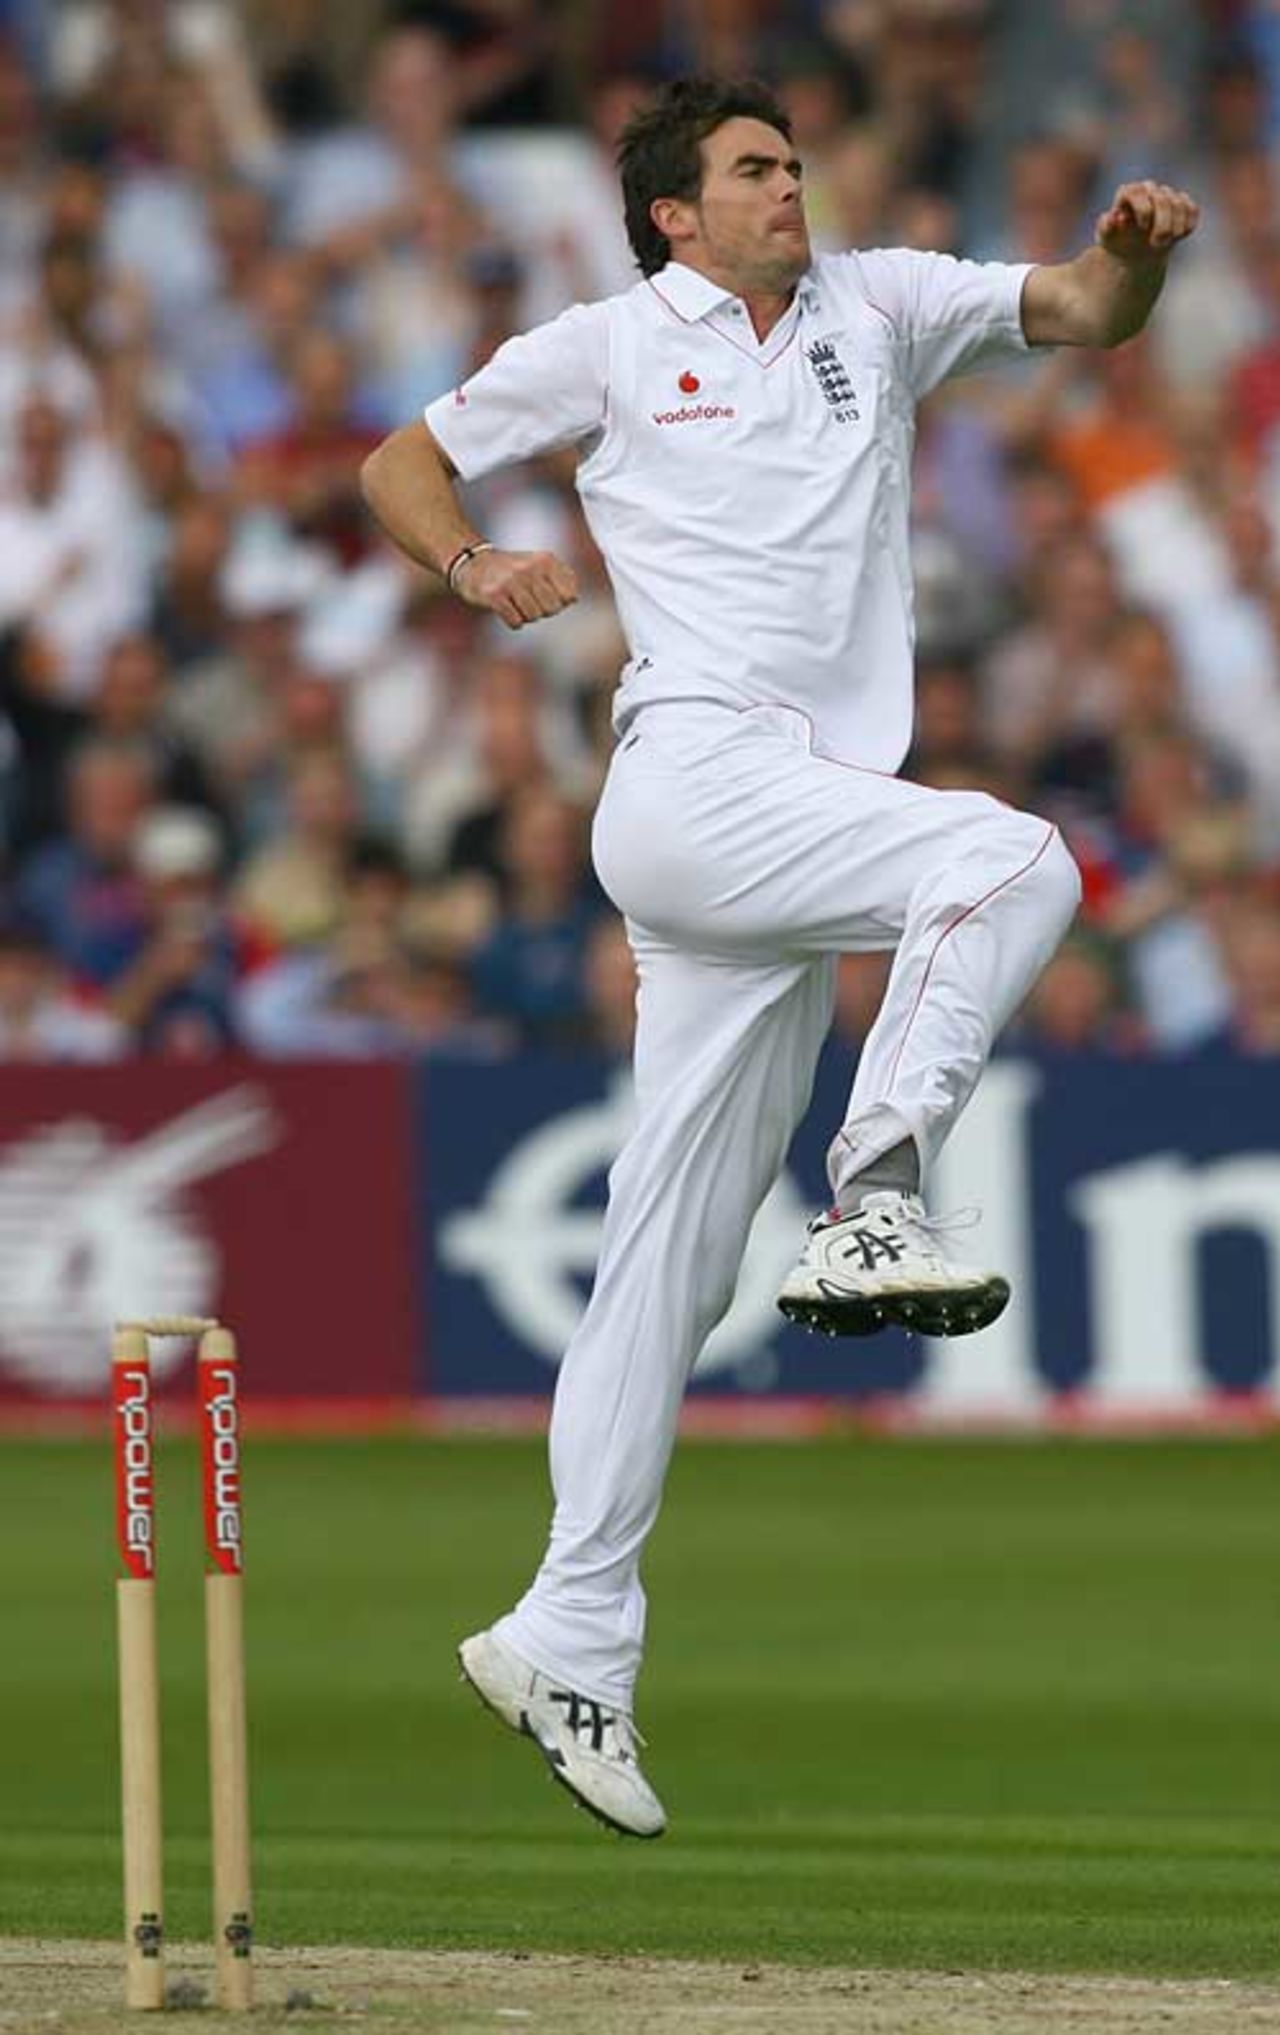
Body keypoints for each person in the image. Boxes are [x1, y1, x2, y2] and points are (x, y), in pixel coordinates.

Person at [361, 76, 1199, 1841]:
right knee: (1020, 856)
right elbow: (400, 457)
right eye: (753, 170)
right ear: (675, 213)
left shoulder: (879, 303)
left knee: (665, 1251)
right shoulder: (602, 343)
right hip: (688, 780)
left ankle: (566, 1628)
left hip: (786, 818)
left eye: (794, 162)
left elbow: (1077, 310)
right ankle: (880, 1181)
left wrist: (1132, 263)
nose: (787, 187)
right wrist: (473, 560)